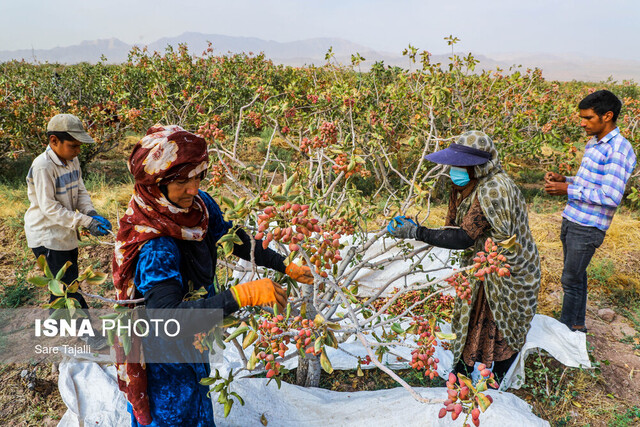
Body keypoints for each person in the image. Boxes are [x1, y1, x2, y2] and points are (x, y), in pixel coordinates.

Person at [112, 124, 313, 426]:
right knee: (174, 414)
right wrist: (242, 295)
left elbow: (231, 237)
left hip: (195, 330)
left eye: (198, 177)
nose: (192, 189)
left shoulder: (200, 207)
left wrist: (284, 264)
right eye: (181, 181)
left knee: (198, 401)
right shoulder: (157, 247)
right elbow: (168, 319)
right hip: (163, 355)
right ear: (157, 184)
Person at [387, 130, 540, 382]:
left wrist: (416, 232)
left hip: (506, 266)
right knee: (474, 314)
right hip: (485, 263)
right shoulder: (469, 185)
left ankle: (495, 375)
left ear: (478, 166)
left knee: (499, 318)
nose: (453, 170)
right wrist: (418, 227)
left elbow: (463, 238)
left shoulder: (493, 190)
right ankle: (464, 371)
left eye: (460, 165)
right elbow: (454, 228)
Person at [544, 90, 636, 333]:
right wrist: (566, 179)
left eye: (588, 118)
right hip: (574, 218)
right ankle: (576, 325)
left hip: (588, 226)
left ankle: (566, 332)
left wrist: (567, 189)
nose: (583, 123)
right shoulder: (595, 143)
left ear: (607, 116)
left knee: (570, 280)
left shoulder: (618, 149)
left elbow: (610, 195)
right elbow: (591, 182)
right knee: (577, 276)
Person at [24, 114, 112, 347]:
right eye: (73, 146)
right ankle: (87, 334)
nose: (77, 151)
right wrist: (84, 222)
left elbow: (80, 190)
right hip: (47, 235)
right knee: (69, 287)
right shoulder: (43, 166)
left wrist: (91, 213)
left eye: (79, 146)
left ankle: (55, 322)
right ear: (54, 141)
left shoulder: (71, 160)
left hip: (64, 233)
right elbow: (50, 208)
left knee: (61, 282)